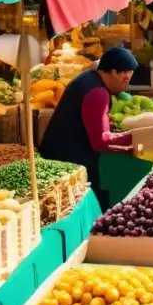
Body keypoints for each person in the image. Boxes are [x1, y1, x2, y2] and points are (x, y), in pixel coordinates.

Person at [39, 47, 138, 209]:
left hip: (58, 155)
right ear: (113, 72)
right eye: (125, 75)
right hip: (69, 165)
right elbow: (100, 141)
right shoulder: (97, 92)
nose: (128, 80)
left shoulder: (88, 78)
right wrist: (134, 136)